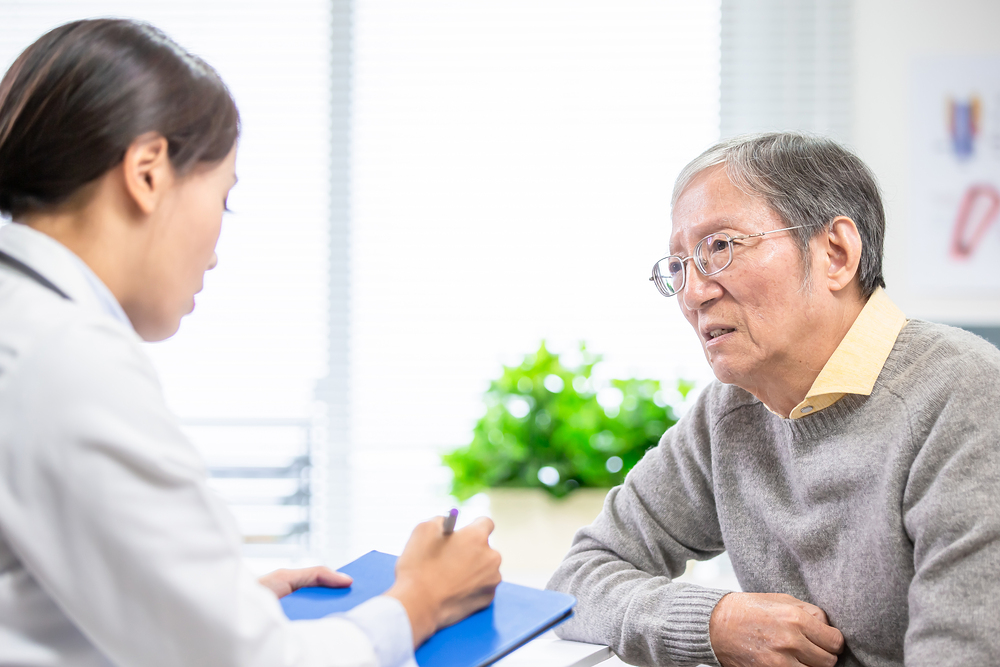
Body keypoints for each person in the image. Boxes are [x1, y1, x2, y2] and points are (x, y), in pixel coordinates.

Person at [0, 18, 501, 667]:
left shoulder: (27, 325)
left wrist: (215, 606)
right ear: (147, 172)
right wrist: (423, 598)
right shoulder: (68, 362)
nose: (215, 249)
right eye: (224, 199)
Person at [546, 132, 1000, 667]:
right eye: (680, 265)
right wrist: (713, 623)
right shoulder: (728, 412)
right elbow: (577, 580)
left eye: (720, 247)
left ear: (836, 254)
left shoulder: (968, 396)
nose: (693, 293)